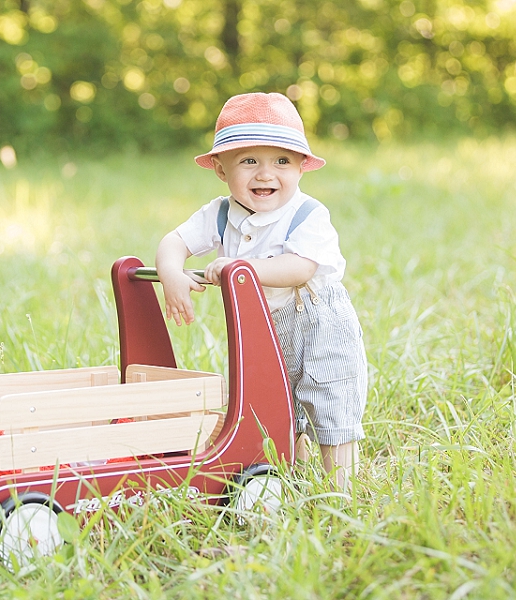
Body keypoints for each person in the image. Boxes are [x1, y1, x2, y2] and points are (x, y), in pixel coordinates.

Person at [155, 92, 367, 490]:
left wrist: (242, 268)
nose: (266, 174)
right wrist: (172, 275)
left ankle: (342, 489)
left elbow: (300, 267)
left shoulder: (307, 215)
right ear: (221, 168)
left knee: (328, 394)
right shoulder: (220, 213)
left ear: (302, 167)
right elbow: (174, 241)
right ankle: (296, 475)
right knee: (279, 403)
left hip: (318, 321)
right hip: (265, 328)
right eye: (249, 160)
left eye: (281, 161)